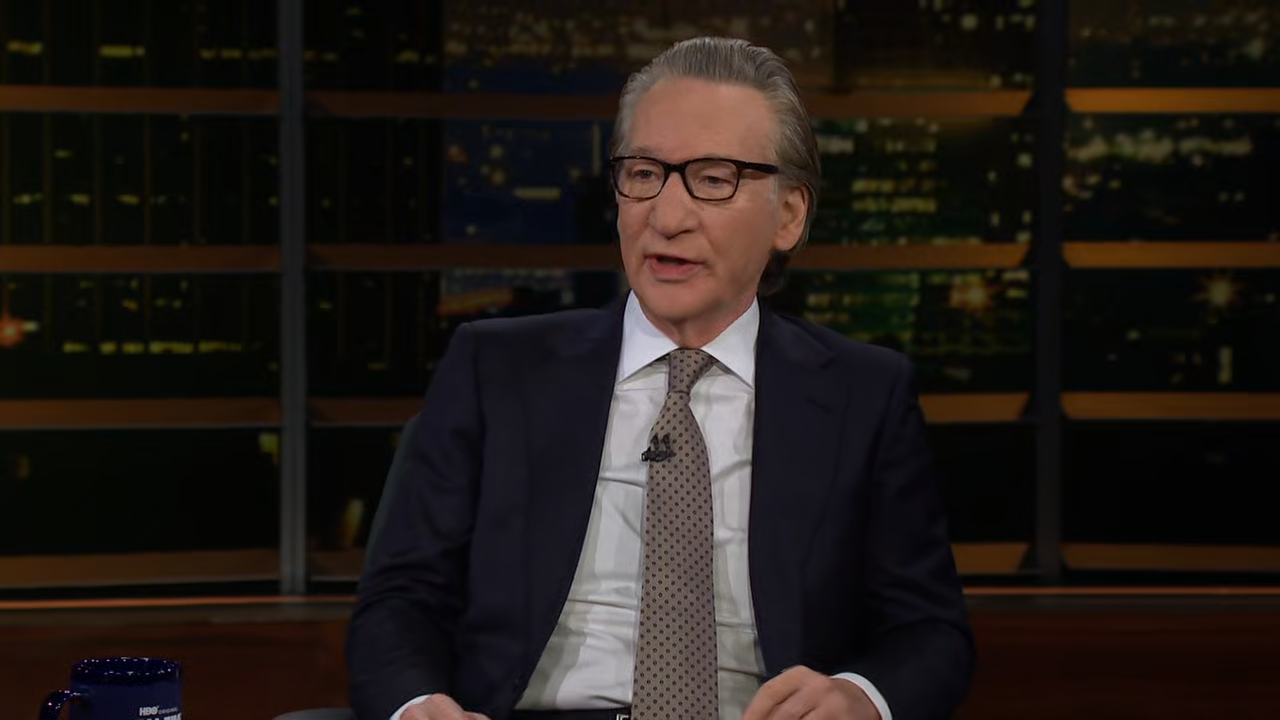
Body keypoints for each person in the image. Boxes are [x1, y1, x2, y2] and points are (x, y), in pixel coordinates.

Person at [347, 36, 974, 720]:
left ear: (789, 214)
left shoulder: (864, 394)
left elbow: (929, 630)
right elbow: (401, 599)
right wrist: (416, 706)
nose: (667, 218)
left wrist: (858, 697)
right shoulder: (495, 369)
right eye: (644, 174)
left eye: (715, 179)